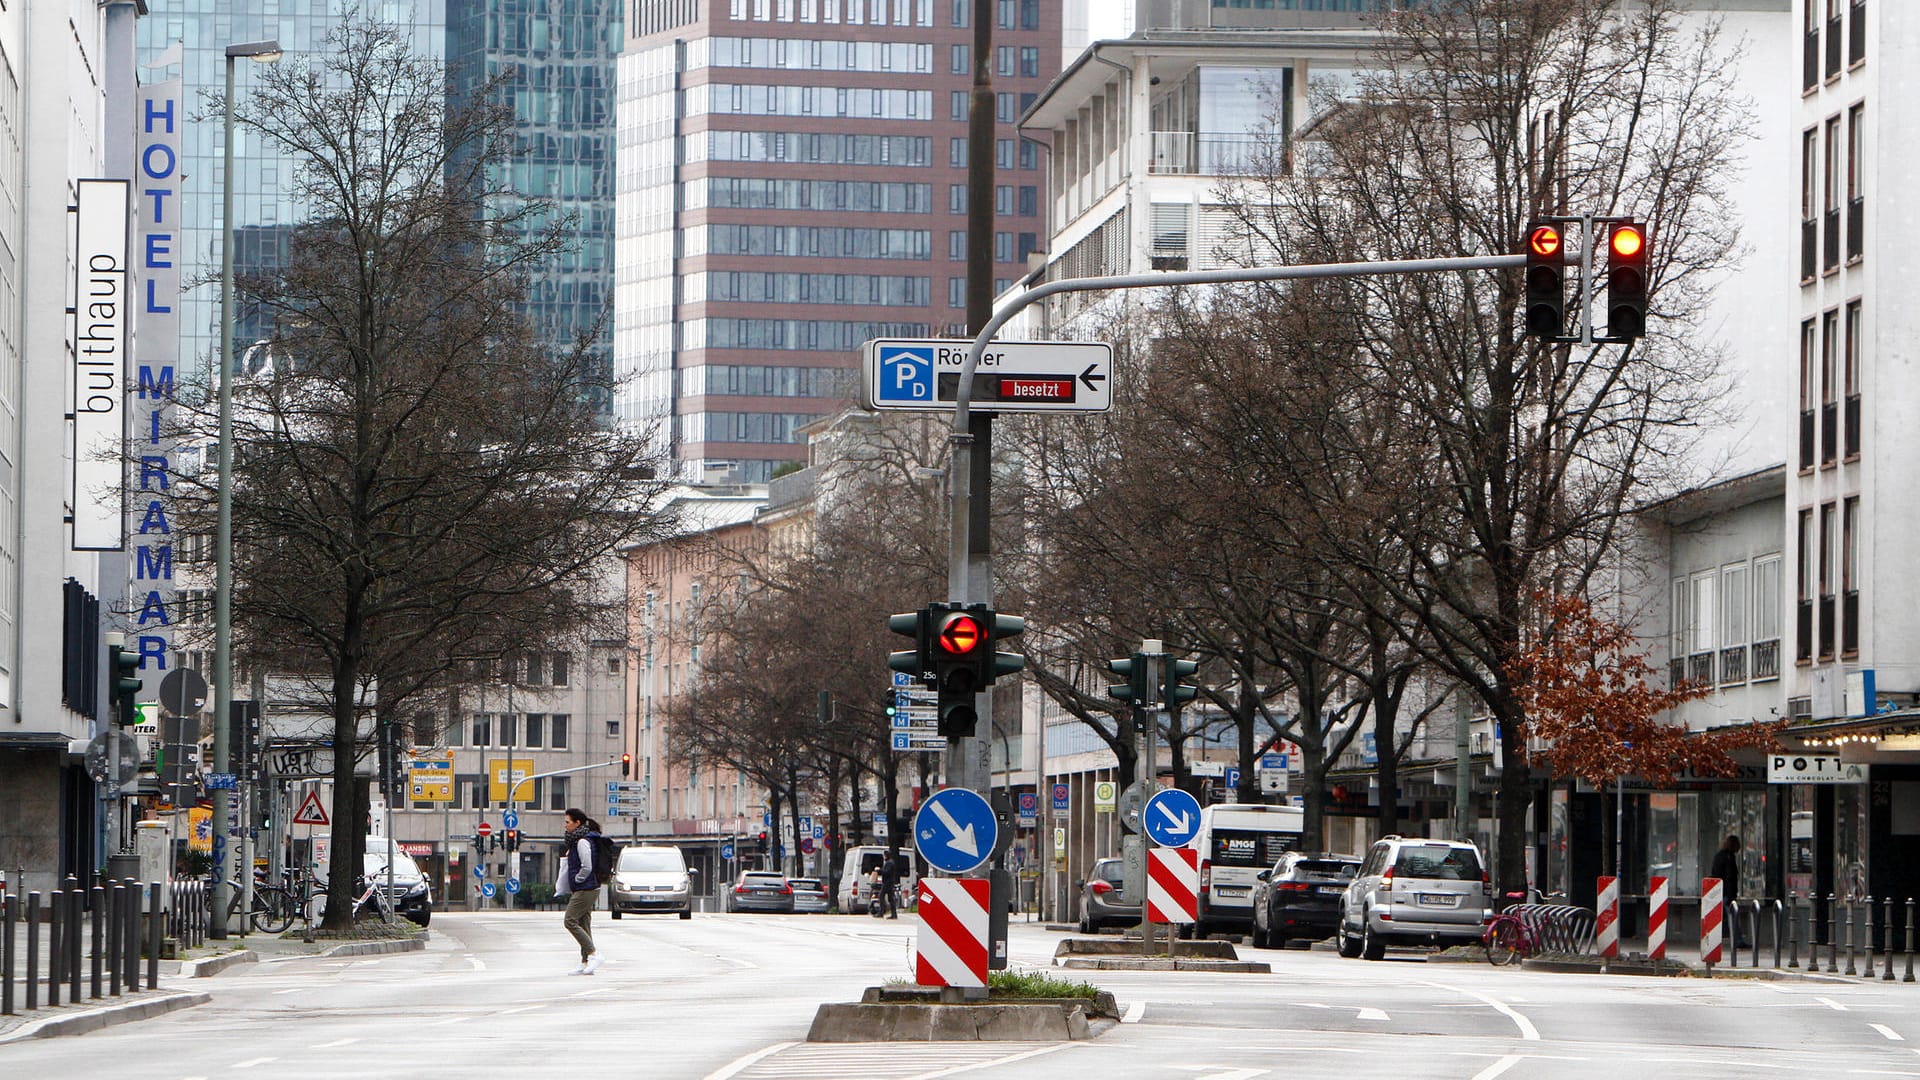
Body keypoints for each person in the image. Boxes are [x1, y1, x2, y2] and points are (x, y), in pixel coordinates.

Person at [557, 808, 604, 974]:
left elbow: (587, 866)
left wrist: (578, 878)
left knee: (569, 920)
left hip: (587, 887)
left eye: (568, 822)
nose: (565, 826)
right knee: (584, 924)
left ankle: (594, 954)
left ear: (577, 823)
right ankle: (585, 962)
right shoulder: (576, 841)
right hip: (584, 887)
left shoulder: (582, 841)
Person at [1711, 834, 1747, 947]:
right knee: (1732, 917)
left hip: (1724, 891)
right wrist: (1729, 893)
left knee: (1730, 917)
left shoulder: (1722, 856)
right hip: (1727, 893)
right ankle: (1738, 940)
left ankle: (1736, 939)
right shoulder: (1727, 857)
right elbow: (1729, 877)